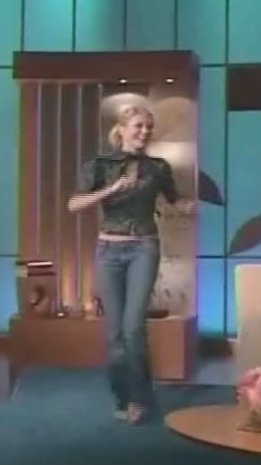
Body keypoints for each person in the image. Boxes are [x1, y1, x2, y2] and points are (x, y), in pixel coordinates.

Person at [68, 104, 195, 424]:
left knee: (133, 328)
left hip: (143, 247)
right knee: (114, 335)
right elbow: (74, 205)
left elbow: (174, 200)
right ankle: (122, 397)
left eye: (149, 127)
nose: (144, 132)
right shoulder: (100, 165)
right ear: (122, 129)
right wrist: (111, 189)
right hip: (108, 251)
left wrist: (188, 207)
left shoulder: (158, 167)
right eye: (139, 126)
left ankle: (140, 398)